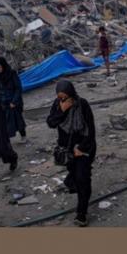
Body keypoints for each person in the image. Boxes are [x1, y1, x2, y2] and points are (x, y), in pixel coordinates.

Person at [46, 80, 96, 227]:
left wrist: (81, 147)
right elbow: (50, 123)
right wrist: (62, 111)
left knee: (83, 179)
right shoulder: (57, 105)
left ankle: (82, 214)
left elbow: (91, 129)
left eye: (65, 97)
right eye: (60, 97)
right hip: (67, 151)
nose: (62, 100)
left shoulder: (83, 104)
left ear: (71, 94)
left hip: (83, 149)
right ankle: (71, 181)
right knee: (74, 174)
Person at [0, 57, 27, 140]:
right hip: (3, 102)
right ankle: (7, 140)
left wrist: (14, 101)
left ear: (3, 65)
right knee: (5, 122)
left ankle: (23, 136)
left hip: (14, 102)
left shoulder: (12, 74)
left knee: (18, 120)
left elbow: (18, 88)